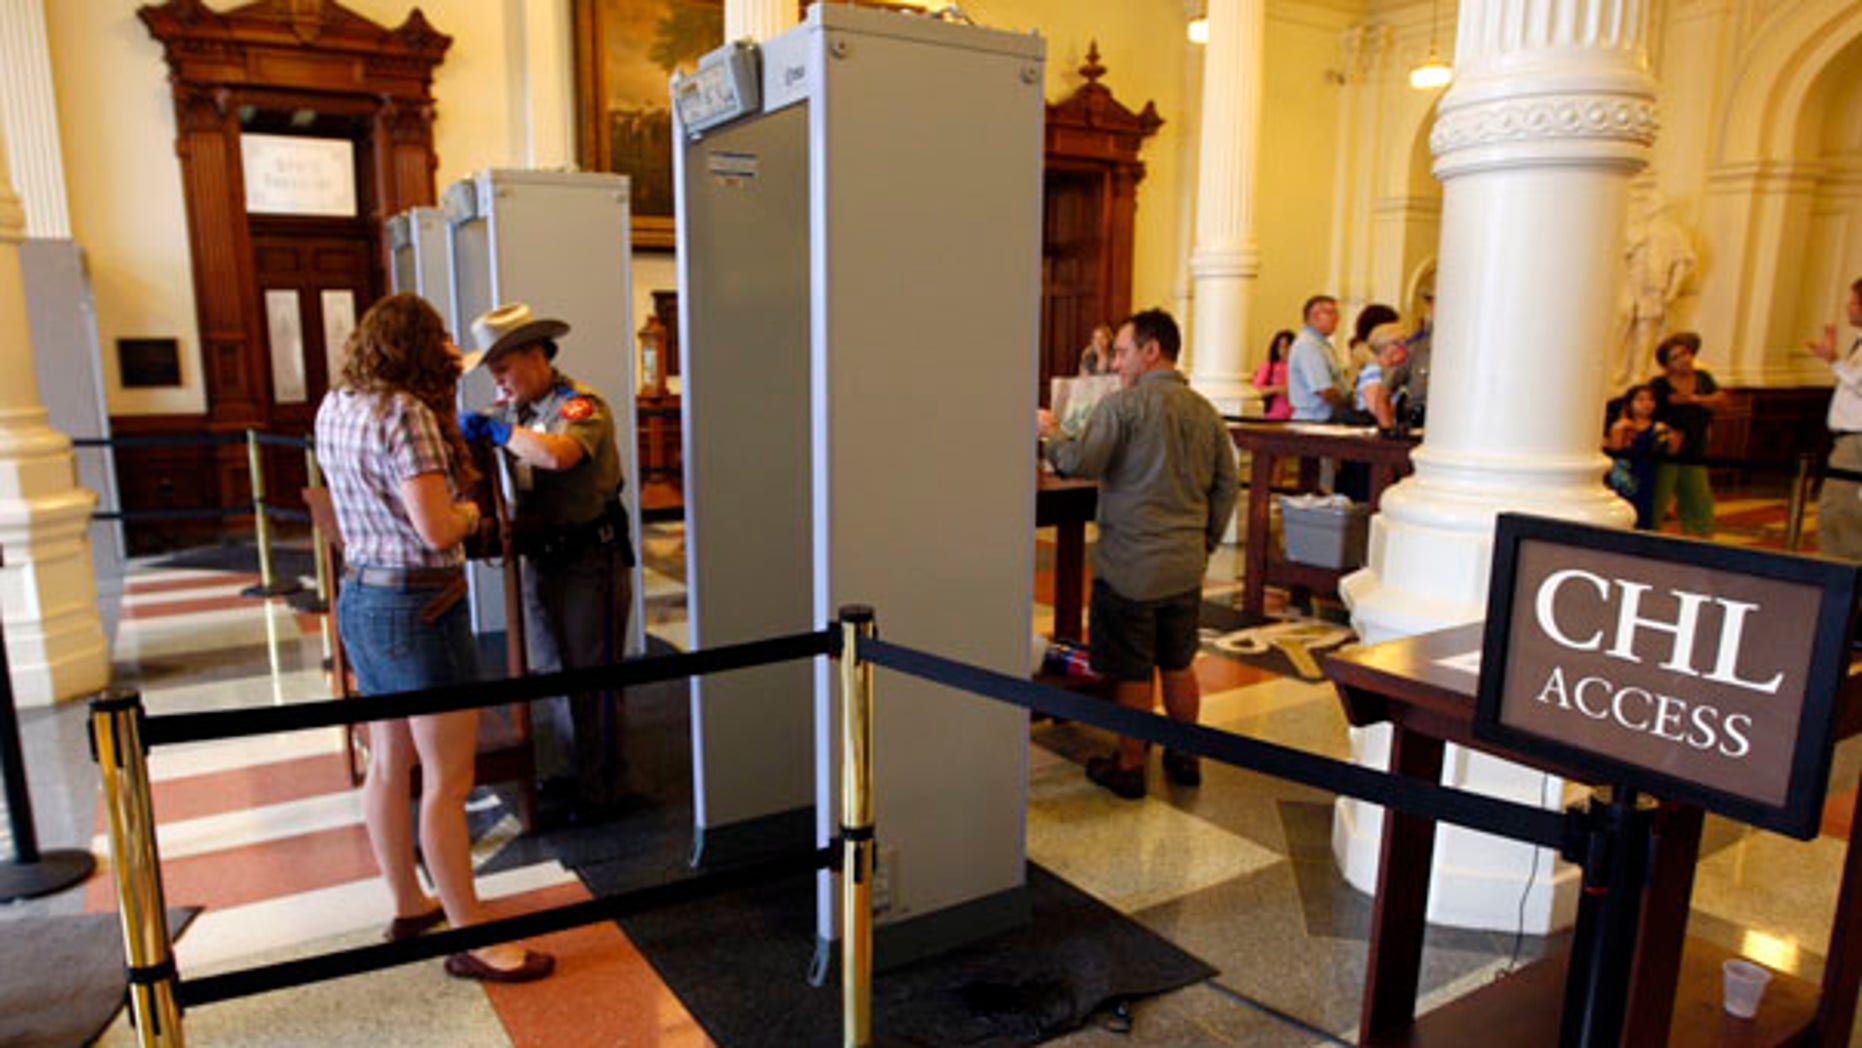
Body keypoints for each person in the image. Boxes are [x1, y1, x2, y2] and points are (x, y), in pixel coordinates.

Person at [315, 293, 553, 983]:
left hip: (362, 595)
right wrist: (470, 508)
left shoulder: (337, 405)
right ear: (421, 348)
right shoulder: (407, 414)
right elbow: (435, 528)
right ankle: (474, 936)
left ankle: (409, 901)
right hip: (422, 603)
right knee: (449, 780)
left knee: (389, 764)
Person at [1036, 309, 1239, 800]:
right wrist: (1203, 544)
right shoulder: (1206, 413)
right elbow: (1226, 487)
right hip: (1183, 565)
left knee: (1131, 668)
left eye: (1124, 352)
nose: (1118, 363)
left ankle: (1129, 765)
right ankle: (1185, 755)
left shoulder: (1123, 408)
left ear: (1152, 351)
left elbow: (1080, 462)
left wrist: (1051, 432)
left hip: (1131, 567)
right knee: (1177, 662)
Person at [459, 303, 635, 823]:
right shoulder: (520, 412)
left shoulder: (580, 405)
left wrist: (499, 434)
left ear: (536, 355)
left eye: (505, 369)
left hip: (590, 560)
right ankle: (580, 772)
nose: (501, 383)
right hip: (545, 558)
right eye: (494, 374)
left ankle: (606, 787)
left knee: (593, 676)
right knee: (557, 673)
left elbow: (559, 455)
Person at [1648, 331, 1726, 536]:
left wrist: (1693, 399)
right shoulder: (1659, 385)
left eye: (1685, 353)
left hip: (1695, 447)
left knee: (1699, 499)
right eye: (1676, 357)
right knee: (1658, 498)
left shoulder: (1702, 378)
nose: (1684, 360)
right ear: (1666, 364)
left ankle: (1701, 540)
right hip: (1667, 451)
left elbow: (1720, 399)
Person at [1808, 277, 1862, 560]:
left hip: (1856, 442)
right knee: (1834, 510)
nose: (1848, 307)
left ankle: (1843, 586)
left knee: (1843, 511)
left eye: (1853, 301)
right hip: (1846, 440)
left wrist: (1834, 361)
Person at [1604, 384, 1680, 529]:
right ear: (1630, 403)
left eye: (1651, 400)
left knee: (1644, 512)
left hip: (1647, 474)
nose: (1646, 404)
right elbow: (1615, 449)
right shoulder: (1621, 425)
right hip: (1623, 474)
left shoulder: (1658, 427)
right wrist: (1620, 430)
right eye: (1640, 400)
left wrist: (1671, 437)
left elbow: (1671, 452)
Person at [1287, 295, 1345, 421]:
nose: (1337, 318)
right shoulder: (1308, 345)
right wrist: (1348, 406)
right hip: (1315, 419)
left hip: (1322, 418)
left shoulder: (1322, 344)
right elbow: (1324, 389)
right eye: (1331, 313)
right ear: (1314, 316)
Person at [1386, 286, 1434, 427]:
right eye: (1431, 304)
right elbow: (1384, 393)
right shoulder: (1416, 345)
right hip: (1417, 420)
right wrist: (1387, 432)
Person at [1352, 322, 1409, 430]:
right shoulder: (1373, 372)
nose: (1405, 347)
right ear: (1385, 348)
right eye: (1400, 343)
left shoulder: (1390, 371)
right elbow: (1376, 408)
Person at [1250, 329, 1295, 420]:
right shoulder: (1269, 366)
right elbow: (1255, 391)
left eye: (1288, 346)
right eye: (1281, 347)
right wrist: (1277, 389)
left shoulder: (1300, 368)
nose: (1285, 350)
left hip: (1296, 416)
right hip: (1274, 416)